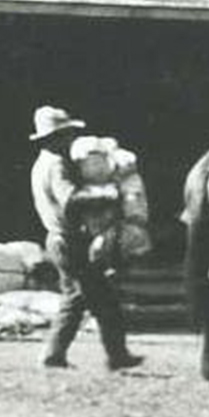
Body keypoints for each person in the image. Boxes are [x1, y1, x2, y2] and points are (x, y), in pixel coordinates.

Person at [29, 105, 142, 372]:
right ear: (54, 138)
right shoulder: (57, 165)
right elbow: (70, 200)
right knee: (83, 298)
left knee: (90, 297)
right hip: (69, 241)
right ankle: (56, 356)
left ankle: (114, 355)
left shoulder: (42, 163)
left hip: (60, 239)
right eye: (66, 134)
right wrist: (109, 194)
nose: (71, 140)